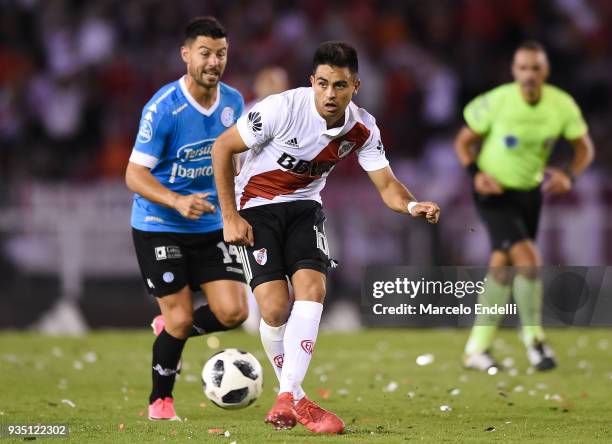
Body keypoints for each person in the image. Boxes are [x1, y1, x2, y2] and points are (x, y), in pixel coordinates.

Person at [212, 41, 440, 433]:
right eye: (322, 84)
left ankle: (286, 396)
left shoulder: (362, 127)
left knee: (313, 290)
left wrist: (411, 205)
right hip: (257, 205)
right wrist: (229, 215)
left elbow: (387, 185)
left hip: (304, 208)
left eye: (339, 85)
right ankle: (299, 399)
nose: (329, 94)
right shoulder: (282, 108)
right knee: (274, 310)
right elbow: (223, 147)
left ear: (356, 86)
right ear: (311, 82)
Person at [125, 17, 248, 421]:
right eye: (205, 53)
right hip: (160, 225)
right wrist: (176, 201)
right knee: (179, 319)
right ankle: (160, 404)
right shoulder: (164, 109)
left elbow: (236, 160)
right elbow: (134, 175)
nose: (214, 62)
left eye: (221, 54)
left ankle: (171, 331)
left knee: (233, 313)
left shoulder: (233, 102)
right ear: (186, 55)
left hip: (210, 225)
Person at [455, 41, 595, 372]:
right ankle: (534, 341)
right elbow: (463, 142)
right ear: (514, 71)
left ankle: (476, 349)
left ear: (545, 71)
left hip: (529, 193)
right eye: (523, 68)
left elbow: (584, 149)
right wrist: (475, 174)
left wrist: (570, 176)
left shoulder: (561, 106)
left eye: (535, 68)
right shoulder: (496, 102)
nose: (529, 75)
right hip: (494, 191)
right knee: (528, 260)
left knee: (502, 268)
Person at [240, 66, 291, 334]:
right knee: (255, 259)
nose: (275, 88)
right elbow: (232, 154)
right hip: (253, 198)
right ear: (258, 86)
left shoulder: (294, 113)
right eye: (270, 82)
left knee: (288, 257)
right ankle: (251, 319)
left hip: (287, 197)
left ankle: (284, 318)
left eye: (279, 83)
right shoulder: (249, 113)